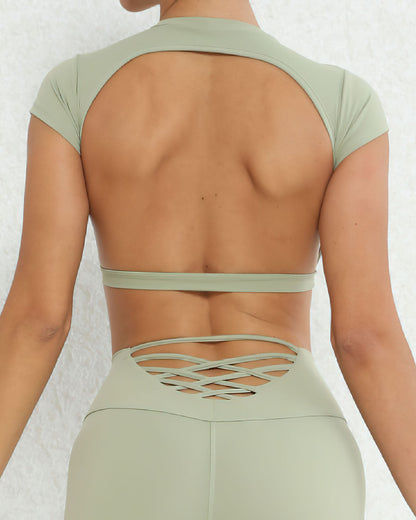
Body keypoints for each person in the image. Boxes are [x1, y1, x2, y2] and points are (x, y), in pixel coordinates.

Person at [0, 0, 415, 518]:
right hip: (297, 455)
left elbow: (36, 324)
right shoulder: (341, 103)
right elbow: (365, 340)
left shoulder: (75, 92)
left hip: (134, 446)